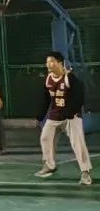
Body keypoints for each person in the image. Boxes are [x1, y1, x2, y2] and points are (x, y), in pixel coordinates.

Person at [35, 51, 92, 185]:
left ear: (60, 63)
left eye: (51, 61)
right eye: (47, 62)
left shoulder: (70, 78)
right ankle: (50, 165)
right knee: (45, 138)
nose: (48, 64)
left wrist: (70, 112)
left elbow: (79, 97)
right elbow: (46, 100)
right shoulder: (48, 79)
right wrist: (40, 116)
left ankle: (85, 172)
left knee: (78, 144)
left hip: (71, 117)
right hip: (54, 116)